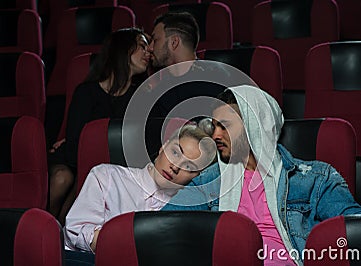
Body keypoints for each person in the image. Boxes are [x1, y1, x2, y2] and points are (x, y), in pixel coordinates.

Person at [163, 85, 361, 265]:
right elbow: (164, 227)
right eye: (215, 126)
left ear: (255, 125)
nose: (216, 135)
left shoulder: (313, 178)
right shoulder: (209, 181)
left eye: (225, 125)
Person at [48, 27, 150, 225]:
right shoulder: (86, 92)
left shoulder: (142, 95)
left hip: (116, 165)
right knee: (62, 178)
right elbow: (75, 142)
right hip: (76, 159)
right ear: (123, 50)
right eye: (141, 47)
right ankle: (46, 226)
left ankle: (66, 231)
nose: (148, 53)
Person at [64, 124, 216, 253]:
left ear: (197, 176)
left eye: (189, 166)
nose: (175, 166)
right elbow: (75, 230)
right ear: (163, 147)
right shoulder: (107, 176)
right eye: (175, 152)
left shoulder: (184, 211)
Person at [147, 11, 229, 118]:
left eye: (155, 40)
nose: (150, 47)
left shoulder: (215, 79)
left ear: (174, 42)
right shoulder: (160, 89)